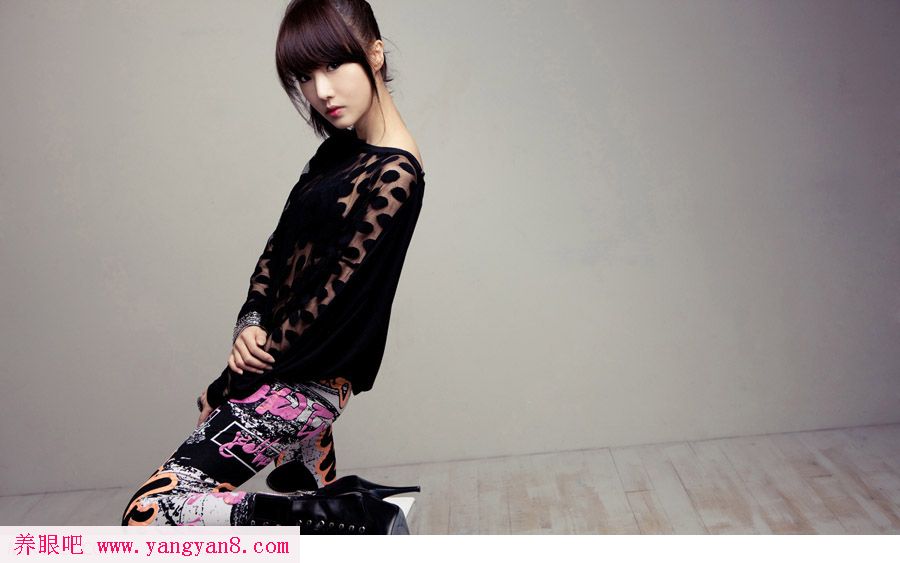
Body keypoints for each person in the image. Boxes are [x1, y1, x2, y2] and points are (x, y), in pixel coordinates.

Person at [121, 0, 425, 530]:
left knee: (148, 515)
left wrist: (232, 381)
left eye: (334, 65)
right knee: (284, 484)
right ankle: (332, 496)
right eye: (305, 76)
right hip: (283, 363)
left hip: (307, 378)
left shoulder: (395, 175)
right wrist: (249, 322)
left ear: (375, 54)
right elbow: (277, 249)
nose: (321, 91)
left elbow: (327, 300)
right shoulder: (337, 152)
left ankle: (355, 517)